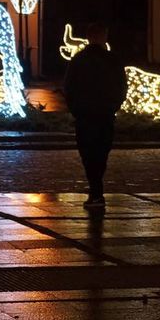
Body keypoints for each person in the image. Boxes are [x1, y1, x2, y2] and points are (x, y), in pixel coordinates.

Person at [64, 22, 128, 208]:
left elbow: (69, 87)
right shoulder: (112, 60)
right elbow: (122, 87)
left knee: (88, 153)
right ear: (103, 36)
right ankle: (96, 190)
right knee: (101, 152)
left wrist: (76, 109)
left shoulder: (78, 60)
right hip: (105, 114)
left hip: (84, 115)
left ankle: (95, 191)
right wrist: (114, 106)